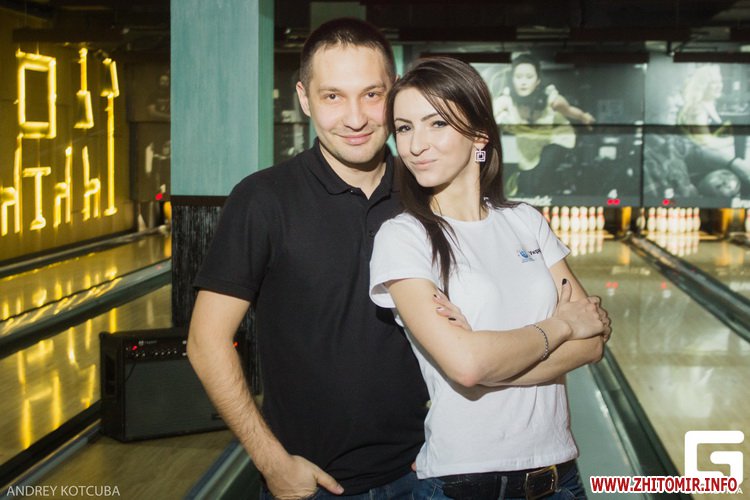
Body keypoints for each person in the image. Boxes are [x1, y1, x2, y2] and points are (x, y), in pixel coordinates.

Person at [188, 18, 458, 499]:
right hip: (312, 484)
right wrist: (272, 462)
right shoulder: (262, 199)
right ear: (305, 98)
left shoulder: (430, 193)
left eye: (372, 95)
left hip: (429, 472)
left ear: (394, 93)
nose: (355, 118)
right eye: (333, 96)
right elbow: (205, 341)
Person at [370, 57, 612, 499]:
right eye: (404, 128)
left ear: (479, 136)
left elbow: (592, 342)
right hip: (464, 481)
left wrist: (488, 364)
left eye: (437, 123)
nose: (416, 145)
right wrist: (561, 326)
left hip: (559, 476)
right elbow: (467, 365)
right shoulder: (403, 237)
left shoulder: (525, 221)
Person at [493, 54, 595, 197]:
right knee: (515, 180)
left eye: (529, 77)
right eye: (519, 77)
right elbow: (485, 117)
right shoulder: (505, 101)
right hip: (524, 142)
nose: (523, 82)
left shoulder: (552, 100)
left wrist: (585, 118)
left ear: (537, 81)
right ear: (513, 79)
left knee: (536, 181)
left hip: (552, 139)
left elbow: (570, 111)